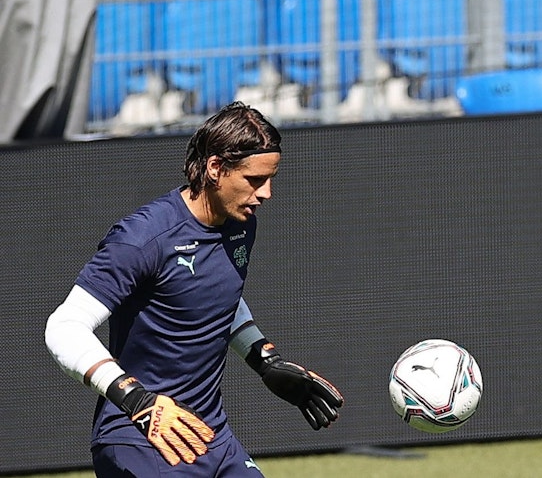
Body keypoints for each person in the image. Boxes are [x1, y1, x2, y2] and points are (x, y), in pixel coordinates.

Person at [44, 101, 344, 477]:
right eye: (254, 180)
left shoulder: (240, 222)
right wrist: (137, 400)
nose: (266, 193)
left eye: (271, 179)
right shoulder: (142, 238)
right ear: (215, 168)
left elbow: (214, 293)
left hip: (212, 437)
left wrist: (264, 360)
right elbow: (63, 327)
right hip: (143, 440)